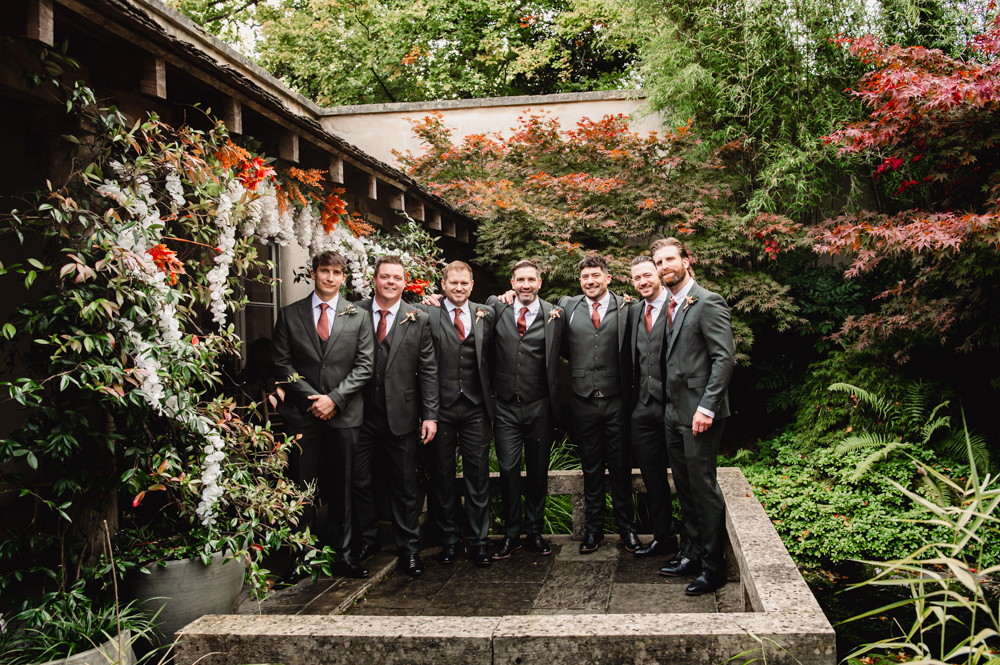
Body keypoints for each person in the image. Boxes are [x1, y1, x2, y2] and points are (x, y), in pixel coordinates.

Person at [270, 250, 374, 579]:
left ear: (344, 277)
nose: (330, 277)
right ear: (313, 273)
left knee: (343, 487)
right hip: (302, 415)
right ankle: (301, 559)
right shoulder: (289, 315)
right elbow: (281, 364)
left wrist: (335, 399)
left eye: (336, 272)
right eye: (324, 271)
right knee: (301, 488)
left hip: (344, 416)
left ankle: (343, 556)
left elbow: (365, 365)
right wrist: (313, 399)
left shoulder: (358, 315)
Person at [652, 237, 735, 595]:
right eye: (659, 262)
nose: (664, 266)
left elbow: (724, 359)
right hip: (673, 412)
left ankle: (714, 567)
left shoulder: (707, 301)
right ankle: (692, 553)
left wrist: (707, 407)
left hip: (700, 413)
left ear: (687, 261)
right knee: (684, 487)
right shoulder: (672, 304)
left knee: (703, 487)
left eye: (670, 258)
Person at [353, 255, 439, 577]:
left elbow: (428, 370)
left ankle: (409, 549)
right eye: (384, 277)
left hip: (401, 414)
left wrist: (430, 415)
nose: (390, 282)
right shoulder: (354, 312)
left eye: (397, 278)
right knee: (358, 480)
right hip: (358, 413)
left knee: (404, 484)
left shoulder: (418, 318)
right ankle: (368, 539)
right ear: (374, 280)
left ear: (405, 282)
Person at [556, 256, 640, 554]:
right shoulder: (568, 306)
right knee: (590, 469)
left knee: (620, 467)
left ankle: (627, 530)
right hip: (582, 400)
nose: (590, 281)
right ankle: (594, 531)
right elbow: (562, 344)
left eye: (595, 275)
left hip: (617, 399)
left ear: (608, 277)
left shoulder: (627, 307)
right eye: (584, 277)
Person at [416, 261, 494, 568]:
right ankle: (448, 541)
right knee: (443, 477)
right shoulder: (426, 312)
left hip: (476, 407)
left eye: (464, 283)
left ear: (472, 285)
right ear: (443, 285)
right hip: (440, 409)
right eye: (453, 283)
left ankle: (479, 542)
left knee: (478, 477)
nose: (459, 288)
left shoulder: (486, 313)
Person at [488, 260, 564, 560]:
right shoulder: (496, 308)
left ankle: (534, 532)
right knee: (507, 469)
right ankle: (511, 533)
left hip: (540, 406)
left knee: (537, 471)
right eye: (520, 280)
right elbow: (463, 307)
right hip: (505, 405)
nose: (526, 285)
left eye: (531, 280)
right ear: (512, 282)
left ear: (540, 282)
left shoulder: (555, 315)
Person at [627, 255, 680, 559]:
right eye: (637, 278)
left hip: (673, 406)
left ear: (658, 274)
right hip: (642, 408)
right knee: (652, 478)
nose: (643, 282)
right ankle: (664, 537)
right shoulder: (633, 311)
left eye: (647, 275)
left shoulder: (677, 307)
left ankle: (695, 542)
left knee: (684, 478)